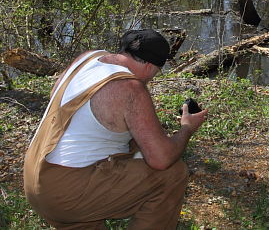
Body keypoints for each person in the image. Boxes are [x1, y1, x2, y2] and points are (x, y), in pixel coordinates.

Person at [24, 29, 208, 229]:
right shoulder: (130, 88)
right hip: (67, 193)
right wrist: (186, 129)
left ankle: (78, 220)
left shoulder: (89, 57)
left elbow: (57, 96)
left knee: (131, 148)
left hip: (36, 177)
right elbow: (161, 159)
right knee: (173, 174)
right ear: (150, 66)